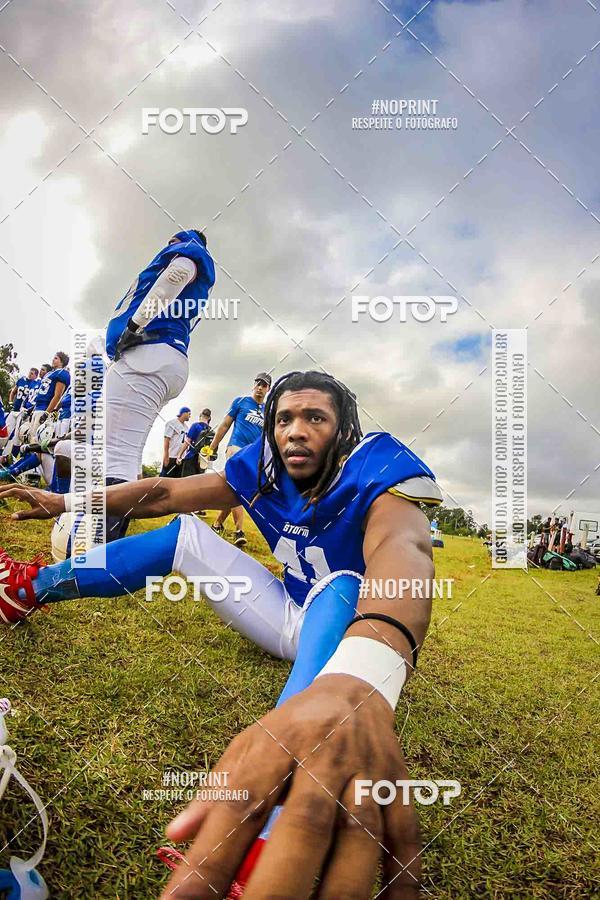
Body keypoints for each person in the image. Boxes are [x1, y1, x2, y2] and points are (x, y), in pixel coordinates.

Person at [0, 370, 442, 898]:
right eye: (284, 419)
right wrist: (71, 503)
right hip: (285, 614)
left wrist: (363, 679)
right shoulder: (262, 465)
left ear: (345, 429)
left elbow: (406, 552)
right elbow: (166, 493)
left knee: (343, 582)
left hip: (343, 631)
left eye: (314, 418)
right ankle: (29, 589)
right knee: (186, 533)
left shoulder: (376, 463)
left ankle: (267, 836)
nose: (295, 431)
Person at [103, 230, 215, 492]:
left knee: (113, 454)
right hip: (169, 358)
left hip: (148, 353)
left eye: (171, 241)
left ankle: (97, 533)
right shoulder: (198, 283)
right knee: (127, 455)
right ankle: (111, 532)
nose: (168, 244)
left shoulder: (188, 252)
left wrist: (133, 326)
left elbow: (177, 273)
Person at [207, 372, 271, 547]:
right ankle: (239, 531)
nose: (260, 387)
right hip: (235, 448)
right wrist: (212, 447)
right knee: (238, 488)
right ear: (253, 385)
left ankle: (217, 524)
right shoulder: (241, 402)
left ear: (268, 389)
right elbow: (225, 425)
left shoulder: (268, 411)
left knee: (235, 491)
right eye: (258, 383)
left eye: (264, 385)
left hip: (253, 455)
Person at [177, 408, 213, 478]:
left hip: (191, 456)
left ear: (200, 415)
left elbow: (187, 441)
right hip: (203, 460)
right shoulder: (211, 431)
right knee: (197, 482)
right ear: (209, 418)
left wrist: (179, 455)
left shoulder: (195, 425)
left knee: (186, 481)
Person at [161, 407, 191, 477]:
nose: (190, 416)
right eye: (189, 414)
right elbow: (166, 439)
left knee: (177, 480)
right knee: (165, 478)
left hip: (180, 458)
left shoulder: (187, 427)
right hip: (171, 456)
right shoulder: (172, 423)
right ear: (184, 413)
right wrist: (166, 455)